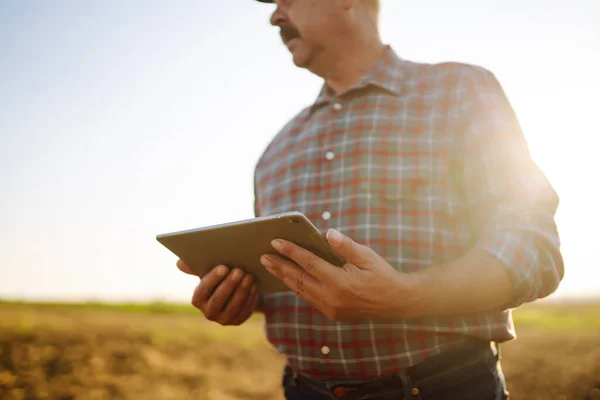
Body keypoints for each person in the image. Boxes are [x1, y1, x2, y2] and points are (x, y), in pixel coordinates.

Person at [176, 0, 564, 398]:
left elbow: (534, 250)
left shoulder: (460, 91)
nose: (275, 16)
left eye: (287, 0)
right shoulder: (275, 151)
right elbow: (290, 285)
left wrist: (405, 296)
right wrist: (241, 295)